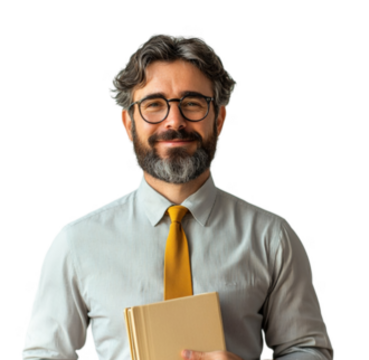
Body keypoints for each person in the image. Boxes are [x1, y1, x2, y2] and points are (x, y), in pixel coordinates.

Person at [20, 33, 334, 360]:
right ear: (127, 122)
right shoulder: (76, 242)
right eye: (154, 104)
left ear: (220, 117)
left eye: (192, 104)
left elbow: (308, 351)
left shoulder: (272, 238)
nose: (174, 121)